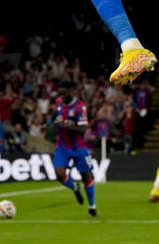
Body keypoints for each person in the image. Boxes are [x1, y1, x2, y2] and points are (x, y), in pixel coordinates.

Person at [52, 81, 97, 217]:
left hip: (78, 147)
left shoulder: (80, 107)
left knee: (87, 177)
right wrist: (49, 123)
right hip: (62, 147)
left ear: (71, 92)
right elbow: (55, 117)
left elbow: (83, 129)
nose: (61, 97)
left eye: (63, 94)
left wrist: (67, 125)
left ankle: (92, 206)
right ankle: (75, 187)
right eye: (60, 94)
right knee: (59, 174)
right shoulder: (59, 104)